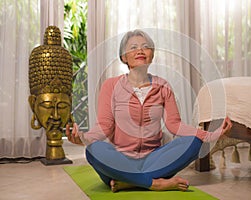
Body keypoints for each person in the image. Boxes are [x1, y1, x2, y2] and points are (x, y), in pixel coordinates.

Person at [66, 29, 232, 192]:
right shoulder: (111, 85)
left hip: (154, 160)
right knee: (94, 150)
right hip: (120, 160)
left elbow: (175, 125)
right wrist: (83, 138)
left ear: (151, 55)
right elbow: (104, 125)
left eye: (145, 46)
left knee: (195, 142)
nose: (140, 50)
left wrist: (210, 135)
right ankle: (155, 183)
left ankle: (130, 182)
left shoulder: (163, 86)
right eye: (133, 47)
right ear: (124, 57)